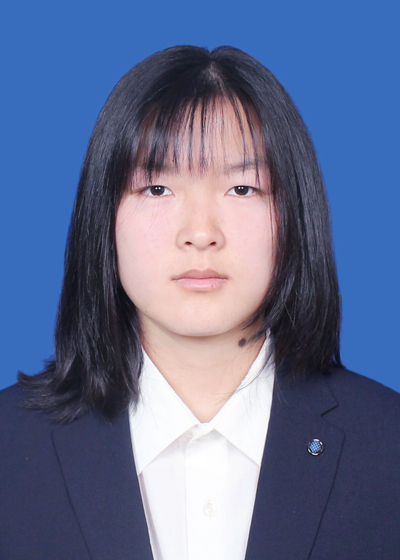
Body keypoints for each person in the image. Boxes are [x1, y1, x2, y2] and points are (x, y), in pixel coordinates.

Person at [0, 45, 399, 560]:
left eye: (242, 188)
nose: (201, 233)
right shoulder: (11, 447)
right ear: (103, 217)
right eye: (157, 188)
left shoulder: (387, 446)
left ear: (295, 214)